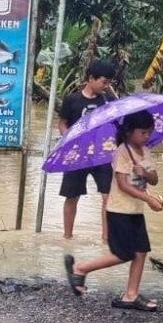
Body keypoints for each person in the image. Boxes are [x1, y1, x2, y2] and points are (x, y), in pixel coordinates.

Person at [65, 110, 163, 311]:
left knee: (141, 251)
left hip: (135, 211)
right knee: (123, 253)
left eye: (149, 133)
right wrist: (148, 199)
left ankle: (131, 295)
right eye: (143, 132)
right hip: (119, 210)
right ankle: (80, 268)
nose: (147, 137)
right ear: (129, 132)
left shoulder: (145, 152)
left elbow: (154, 178)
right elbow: (123, 185)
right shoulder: (122, 152)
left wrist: (144, 172)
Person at [58, 60, 120, 240]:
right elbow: (62, 123)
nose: (106, 86)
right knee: (72, 196)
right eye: (104, 82)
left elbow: (115, 126)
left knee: (108, 196)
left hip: (101, 155)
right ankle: (67, 237)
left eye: (109, 82)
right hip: (77, 155)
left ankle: (106, 239)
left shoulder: (107, 101)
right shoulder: (72, 100)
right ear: (91, 79)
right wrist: (68, 137)